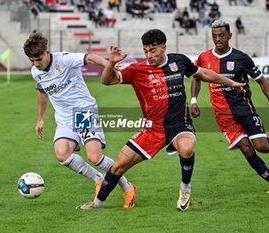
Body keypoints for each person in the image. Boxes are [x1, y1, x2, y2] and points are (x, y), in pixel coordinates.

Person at [76, 29, 245, 211]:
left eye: (153, 50)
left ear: (164, 46)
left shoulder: (179, 61)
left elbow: (203, 74)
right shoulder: (137, 70)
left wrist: (232, 83)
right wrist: (111, 64)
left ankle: (185, 188)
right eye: (146, 51)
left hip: (180, 125)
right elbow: (106, 81)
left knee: (187, 148)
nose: (149, 55)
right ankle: (97, 203)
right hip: (152, 129)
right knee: (117, 167)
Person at [23, 32, 136, 207]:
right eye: (32, 61)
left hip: (83, 111)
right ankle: (98, 179)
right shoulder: (36, 72)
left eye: (38, 59)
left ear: (47, 52)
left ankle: (127, 187)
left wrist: (110, 65)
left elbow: (90, 57)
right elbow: (41, 92)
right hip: (64, 118)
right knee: (62, 154)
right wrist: (40, 119)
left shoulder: (64, 59)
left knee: (95, 157)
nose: (36, 64)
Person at [191, 20, 269, 194]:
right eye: (214, 36)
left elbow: (262, 81)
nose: (218, 39)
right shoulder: (204, 58)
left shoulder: (241, 58)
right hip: (223, 115)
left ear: (230, 36)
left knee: (261, 146)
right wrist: (194, 101)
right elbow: (196, 78)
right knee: (246, 147)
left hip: (244, 108)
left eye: (221, 35)